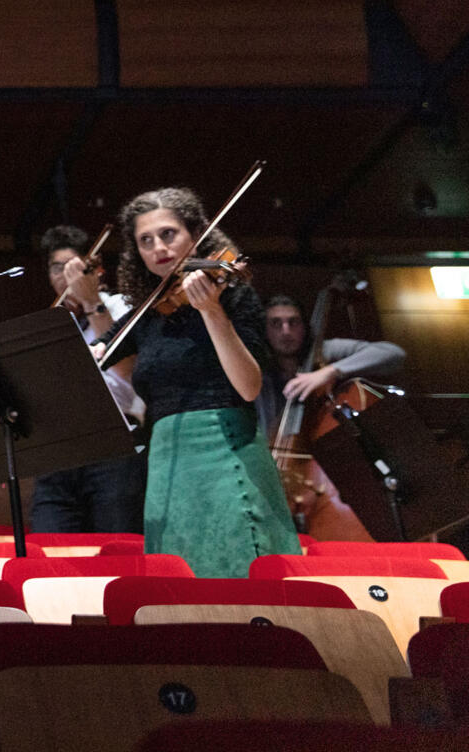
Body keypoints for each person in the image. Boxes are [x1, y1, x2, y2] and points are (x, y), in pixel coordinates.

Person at [98, 187, 299, 578]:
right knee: (177, 582)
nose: (159, 247)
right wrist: (92, 350)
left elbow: (249, 387)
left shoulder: (234, 296)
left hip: (225, 452)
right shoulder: (147, 312)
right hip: (166, 462)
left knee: (239, 574)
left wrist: (212, 312)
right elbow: (101, 349)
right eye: (146, 240)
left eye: (168, 234)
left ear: (196, 236)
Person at [26, 223, 148, 535]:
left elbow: (129, 372)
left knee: (116, 551)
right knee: (51, 551)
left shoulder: (122, 306)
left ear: (96, 270)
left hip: (114, 446)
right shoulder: (47, 324)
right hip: (59, 452)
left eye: (72, 267)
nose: (64, 276)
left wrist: (92, 302)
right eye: (56, 268)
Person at [257, 292, 405, 541]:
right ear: (265, 329)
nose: (285, 331)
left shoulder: (324, 351)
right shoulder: (258, 365)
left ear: (305, 326)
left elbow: (392, 354)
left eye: (293, 322)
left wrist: (331, 370)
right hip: (272, 465)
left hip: (322, 471)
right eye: (276, 323)